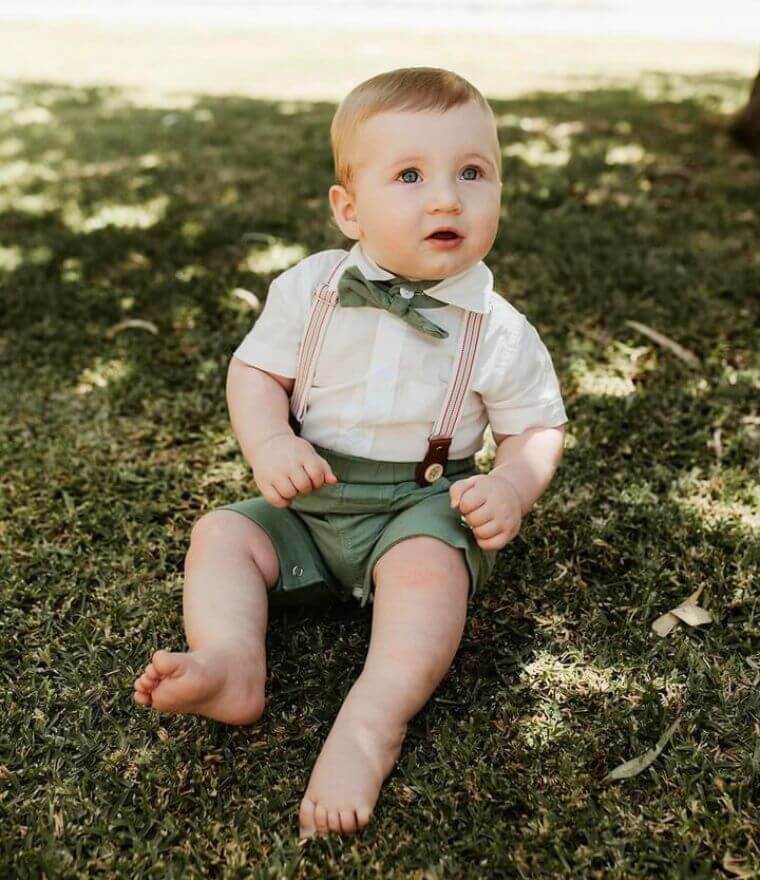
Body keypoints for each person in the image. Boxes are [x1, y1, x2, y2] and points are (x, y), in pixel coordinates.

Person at [133, 66, 568, 838]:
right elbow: (256, 371)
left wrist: (510, 485)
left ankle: (373, 719)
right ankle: (231, 662)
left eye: (473, 172)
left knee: (428, 575)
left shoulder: (499, 329)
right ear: (349, 209)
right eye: (410, 175)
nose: (447, 199)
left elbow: (536, 427)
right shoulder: (312, 289)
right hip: (310, 497)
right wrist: (271, 441)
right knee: (222, 534)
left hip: (422, 506)